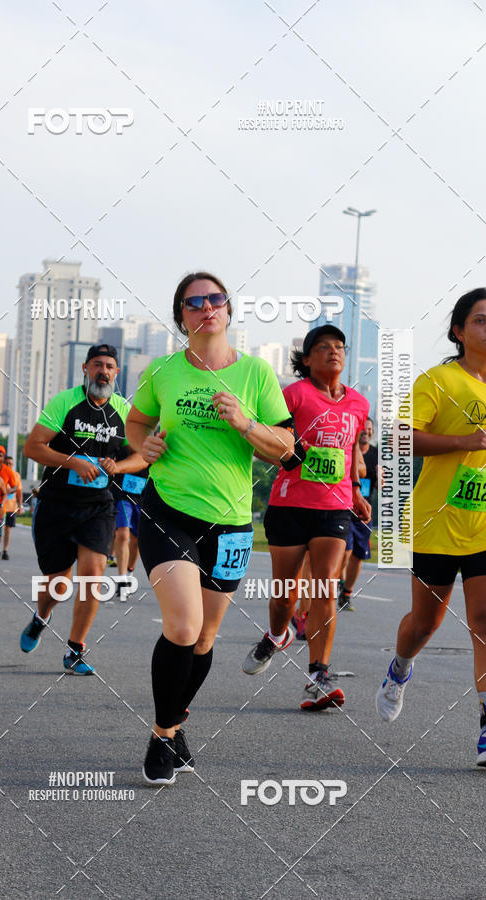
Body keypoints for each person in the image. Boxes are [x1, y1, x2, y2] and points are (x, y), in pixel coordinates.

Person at [126, 272, 294, 785]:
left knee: (205, 637)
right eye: (193, 302)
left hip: (231, 522)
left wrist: (246, 424)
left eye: (214, 300)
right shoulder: (163, 372)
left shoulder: (257, 376)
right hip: (167, 509)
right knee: (182, 626)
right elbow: (136, 424)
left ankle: (175, 724)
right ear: (182, 317)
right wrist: (144, 448)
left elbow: (285, 447)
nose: (206, 308)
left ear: (227, 310)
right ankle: (160, 736)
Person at [376, 288, 486, 767]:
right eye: (482, 320)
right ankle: (400, 668)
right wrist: (466, 440)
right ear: (460, 331)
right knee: (425, 624)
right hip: (435, 524)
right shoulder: (438, 380)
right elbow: (401, 437)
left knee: (484, 623)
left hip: (484, 525)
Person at [242, 325, 371, 711]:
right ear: (308, 359)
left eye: (339, 347)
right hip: (289, 504)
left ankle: (318, 675)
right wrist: (288, 455)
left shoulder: (359, 404)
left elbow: (349, 453)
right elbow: (263, 442)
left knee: (324, 587)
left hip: (334, 508)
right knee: (284, 595)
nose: (333, 352)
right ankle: (277, 633)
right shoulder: (294, 395)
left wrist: (357, 492)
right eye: (323, 347)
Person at [20, 343, 146, 675]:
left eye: (109, 366)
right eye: (97, 365)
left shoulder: (124, 410)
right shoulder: (65, 402)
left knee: (92, 577)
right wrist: (73, 462)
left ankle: (75, 649)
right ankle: (41, 617)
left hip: (98, 507)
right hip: (57, 506)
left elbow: (143, 456)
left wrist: (118, 467)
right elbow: (32, 447)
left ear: (117, 373)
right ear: (85, 369)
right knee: (58, 585)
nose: (103, 371)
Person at [338, 428, 379, 610]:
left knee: (358, 555)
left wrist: (381, 479)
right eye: (364, 428)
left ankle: (346, 592)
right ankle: (338, 580)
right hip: (344, 507)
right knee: (344, 552)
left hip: (363, 511)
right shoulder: (346, 448)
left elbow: (381, 482)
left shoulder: (376, 454)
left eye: (370, 429)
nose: (367, 432)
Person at [110, 456, 149, 597]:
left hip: (143, 497)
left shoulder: (157, 440)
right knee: (123, 534)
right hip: (122, 495)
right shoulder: (124, 442)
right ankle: (122, 580)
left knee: (137, 540)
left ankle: (129, 573)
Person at [0, 454, 22, 560]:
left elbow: (19, 491)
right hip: (1, 505)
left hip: (11, 506)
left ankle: (5, 550)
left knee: (8, 529)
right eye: (7, 463)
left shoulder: (16, 475)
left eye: (11, 463)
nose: (9, 465)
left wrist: (20, 505)